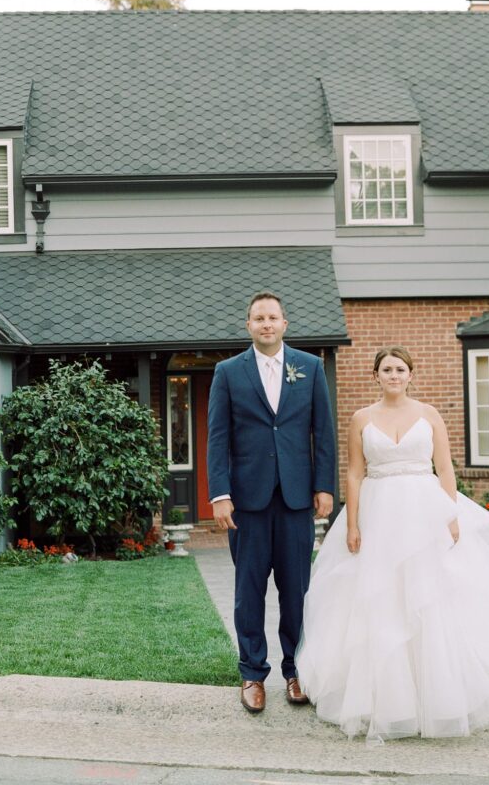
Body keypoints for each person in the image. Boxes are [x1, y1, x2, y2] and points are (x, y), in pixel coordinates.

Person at [296, 345, 489, 743]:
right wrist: (352, 523)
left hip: (424, 508)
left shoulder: (429, 414)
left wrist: (449, 515)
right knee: (381, 598)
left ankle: (441, 698)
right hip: (378, 513)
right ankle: (389, 701)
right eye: (386, 370)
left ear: (410, 374)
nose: (393, 376)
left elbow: (445, 468)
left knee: (431, 597)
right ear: (375, 375)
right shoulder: (361, 418)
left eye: (400, 369)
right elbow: (354, 473)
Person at [207, 291, 337, 715]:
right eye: (258, 318)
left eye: (273, 317)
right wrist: (220, 494)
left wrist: (324, 486)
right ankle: (252, 674)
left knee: (297, 591)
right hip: (246, 500)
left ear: (284, 324)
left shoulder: (311, 367)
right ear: (248, 326)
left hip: (297, 497)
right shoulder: (228, 372)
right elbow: (218, 438)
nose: (266, 324)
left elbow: (323, 431)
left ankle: (296, 671)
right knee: (249, 590)